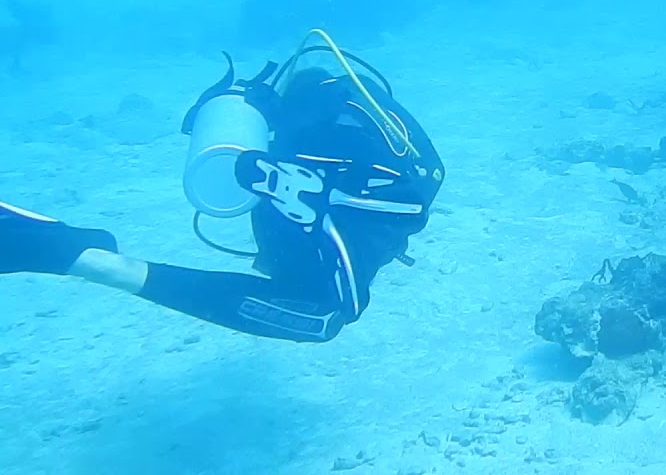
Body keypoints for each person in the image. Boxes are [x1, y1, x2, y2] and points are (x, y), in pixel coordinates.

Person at [0, 31, 445, 342]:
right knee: (323, 316)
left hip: (315, 185)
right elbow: (418, 191)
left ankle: (81, 252)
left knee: (334, 293)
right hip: (339, 202)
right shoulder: (368, 117)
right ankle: (88, 259)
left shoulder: (323, 113)